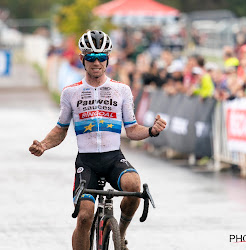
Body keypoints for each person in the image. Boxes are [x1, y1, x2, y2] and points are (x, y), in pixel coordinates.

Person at [29, 30, 166, 250]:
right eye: (91, 57)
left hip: (113, 158)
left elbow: (131, 130)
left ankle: (119, 235)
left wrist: (151, 131)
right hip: (87, 163)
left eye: (101, 57)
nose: (96, 62)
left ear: (108, 59)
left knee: (134, 185)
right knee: (84, 217)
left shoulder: (121, 90)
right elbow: (61, 128)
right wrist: (44, 145)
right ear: (82, 59)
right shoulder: (70, 93)